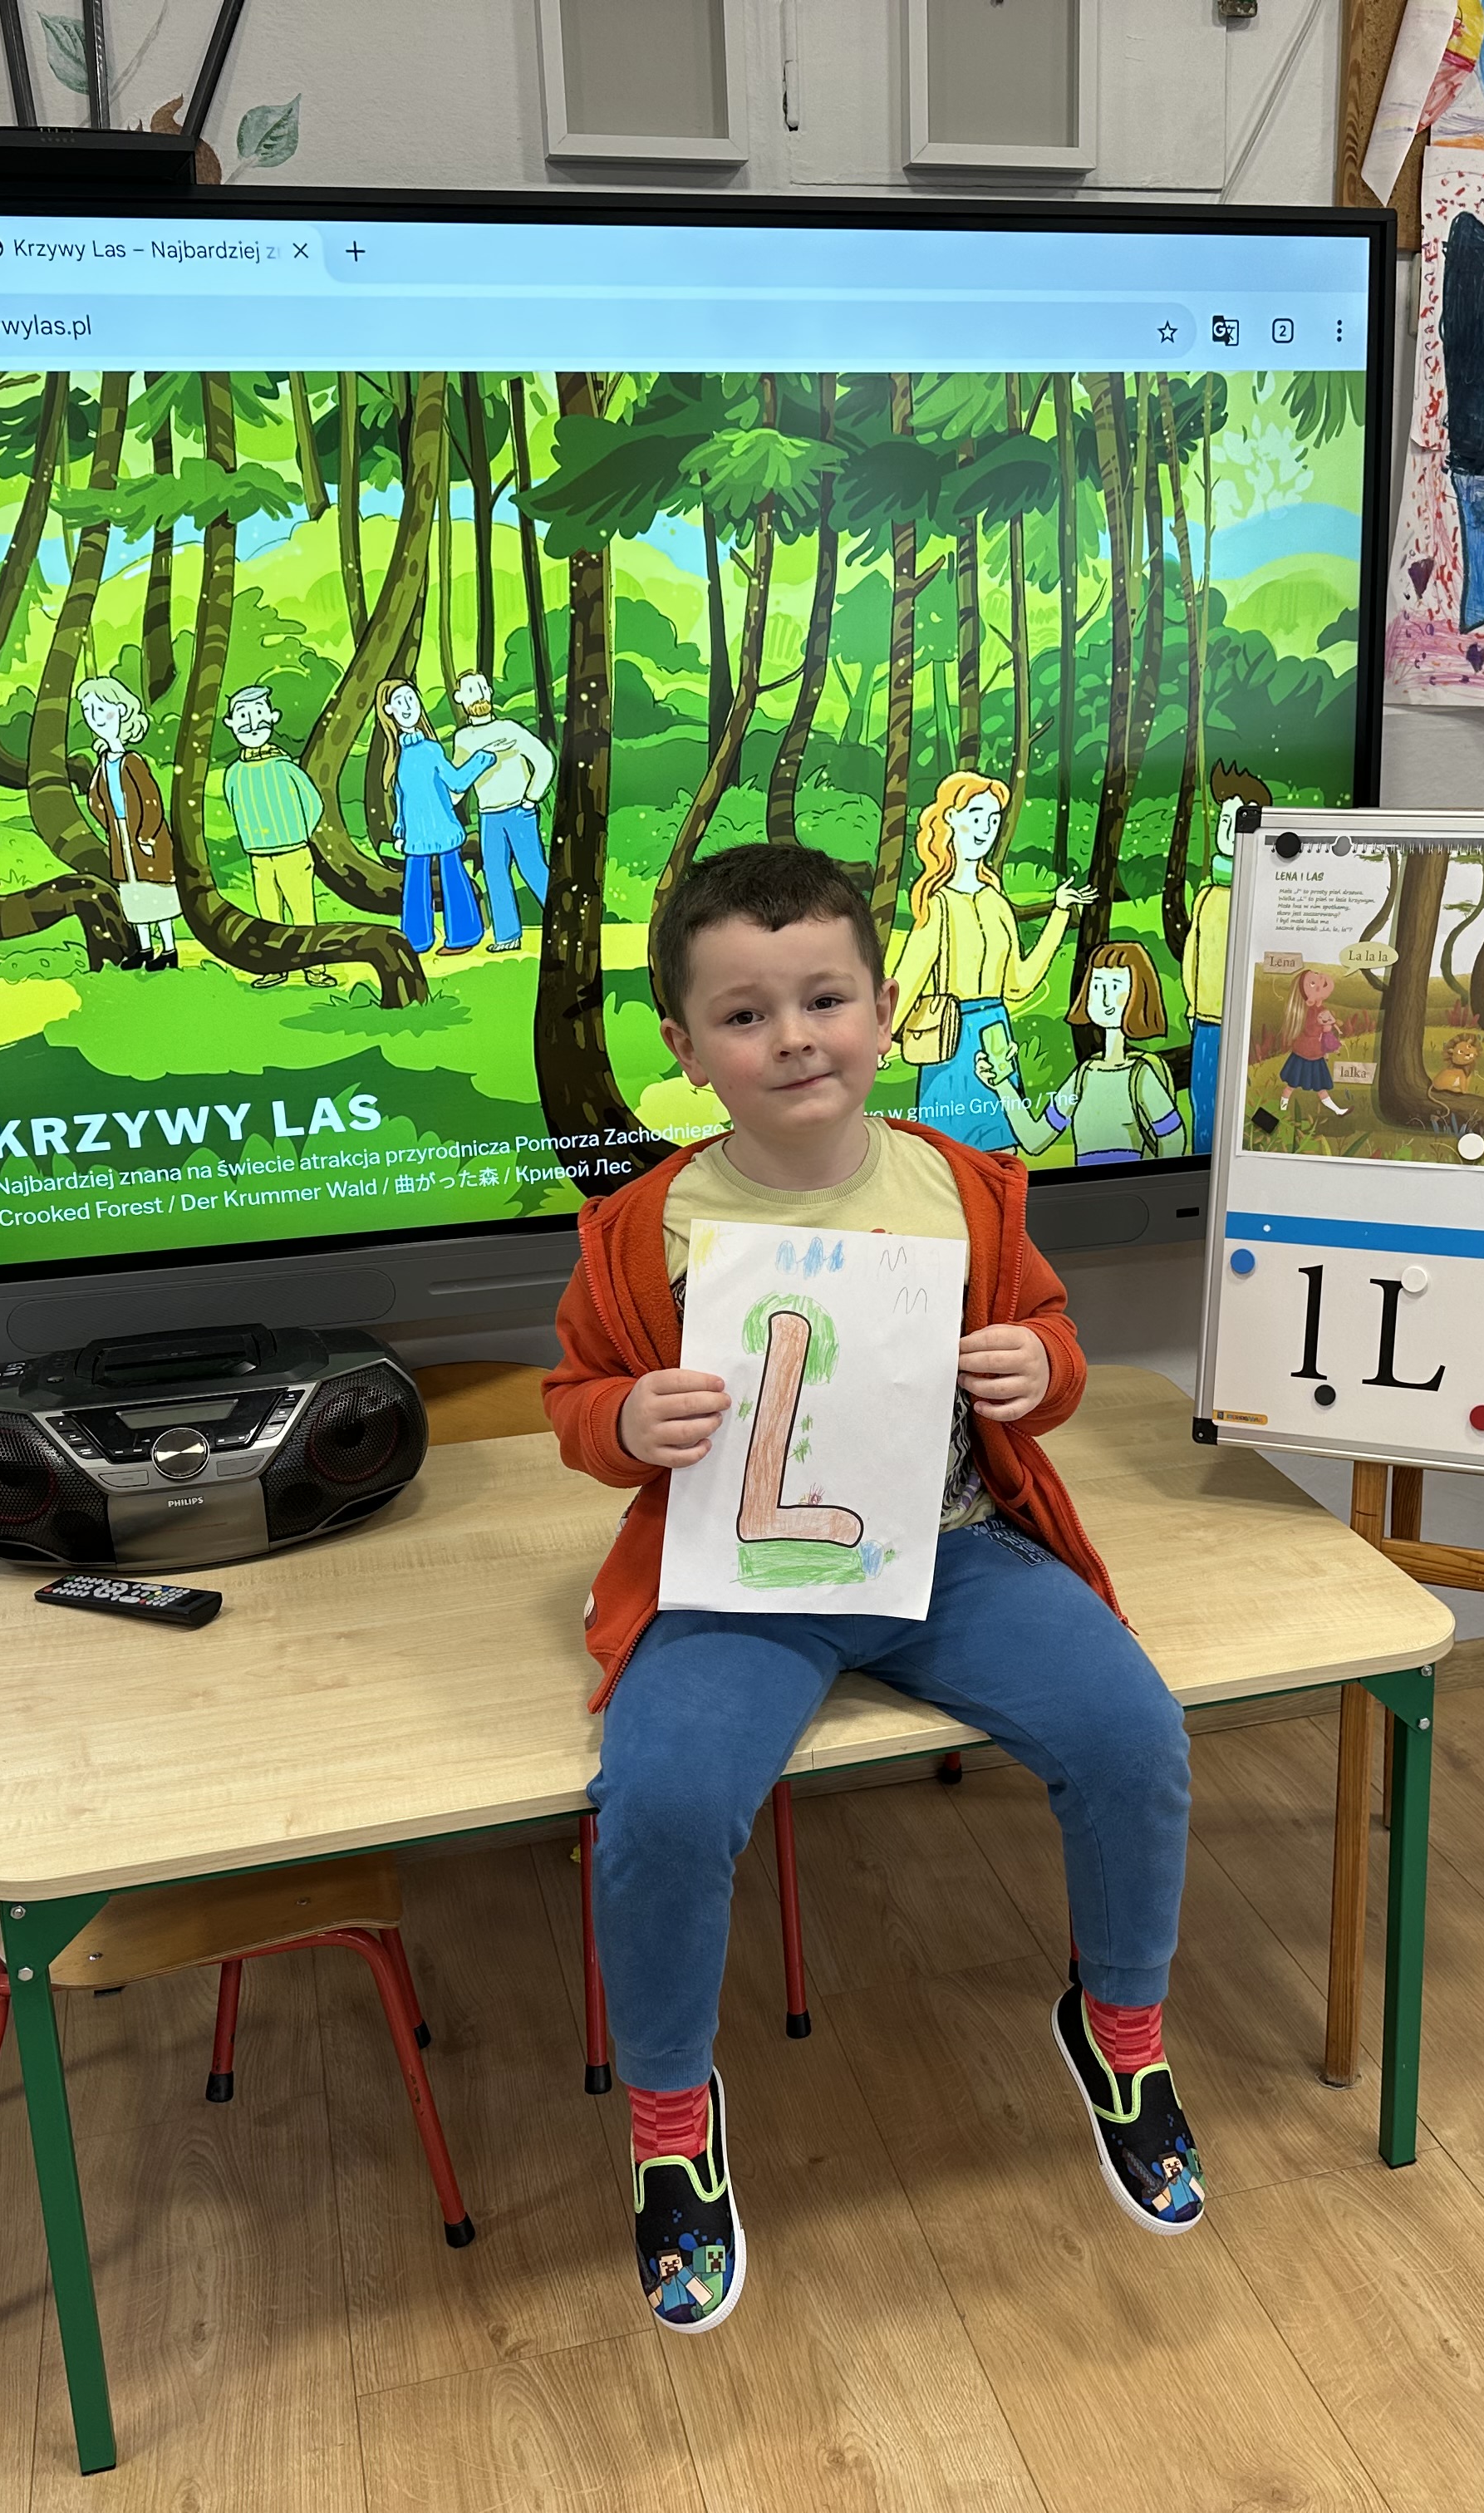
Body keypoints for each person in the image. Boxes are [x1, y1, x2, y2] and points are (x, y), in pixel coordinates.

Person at [543, 841, 1203, 2336]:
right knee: (658, 1806)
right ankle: (669, 2114)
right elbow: (576, 1400)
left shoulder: (960, 1186)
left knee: (1132, 1735)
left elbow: (1048, 1342)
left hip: (952, 1548)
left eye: (825, 999)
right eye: (745, 1014)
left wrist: (1040, 1367)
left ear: (885, 1010)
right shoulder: (643, 1226)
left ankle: (1121, 2026)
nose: (794, 1038)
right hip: (738, 1582)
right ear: (685, 1048)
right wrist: (624, 1418)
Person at [881, 771, 1092, 1149]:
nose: (985, 829)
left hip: (996, 1036)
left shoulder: (996, 903)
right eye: (976, 816)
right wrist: (881, 1037)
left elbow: (1019, 982)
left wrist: (1059, 913)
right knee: (948, 1158)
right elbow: (908, 978)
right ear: (950, 818)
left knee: (1004, 1152)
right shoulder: (938, 904)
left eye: (993, 820)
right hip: (950, 1038)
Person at [978, 940, 1185, 1168]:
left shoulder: (1140, 1076)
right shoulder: (1083, 1076)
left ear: (1139, 994)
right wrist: (1002, 1084)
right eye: (1097, 986)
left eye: (1115, 987)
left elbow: (1174, 1139)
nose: (1104, 998)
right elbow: (1035, 1140)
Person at [219, 683, 329, 987]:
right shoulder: (234, 773)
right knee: (268, 915)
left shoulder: (285, 767)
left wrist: (297, 833)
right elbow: (234, 805)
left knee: (302, 913)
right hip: (258, 856)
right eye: (243, 716)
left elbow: (313, 803)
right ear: (231, 723)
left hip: (293, 852)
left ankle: (314, 968)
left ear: (273, 717)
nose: (252, 723)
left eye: (258, 714)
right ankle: (275, 966)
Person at [1181, 768, 1264, 1153]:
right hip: (1207, 1022)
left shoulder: (1262, 896)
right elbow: (1192, 957)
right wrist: (1193, 1006)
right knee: (1205, 1099)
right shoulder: (1207, 896)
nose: (1230, 832)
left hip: (1248, 1023)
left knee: (1253, 1103)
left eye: (1241, 822)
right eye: (1226, 822)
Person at [377, 679, 489, 957]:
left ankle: (464, 935)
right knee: (415, 889)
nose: (408, 706)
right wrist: (400, 830)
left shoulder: (431, 750)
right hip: (415, 836)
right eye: (400, 701)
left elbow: (457, 782)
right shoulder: (398, 757)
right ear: (389, 710)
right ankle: (415, 940)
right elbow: (402, 797)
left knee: (453, 880)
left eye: (411, 699)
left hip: (442, 828)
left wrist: (481, 760)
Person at [448, 670, 554, 953]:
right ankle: (507, 936)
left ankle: (561, 922)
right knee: (495, 874)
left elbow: (544, 760)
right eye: (472, 690)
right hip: (489, 816)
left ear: (490, 692)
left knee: (533, 868)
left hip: (519, 811)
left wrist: (531, 798)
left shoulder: (510, 729)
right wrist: (442, 803)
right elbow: (459, 783)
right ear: (460, 698)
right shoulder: (463, 739)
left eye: (483, 688)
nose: (480, 695)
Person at [75, 672, 175, 969]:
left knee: (155, 891)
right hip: (121, 836)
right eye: (88, 711)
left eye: (101, 709)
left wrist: (145, 835)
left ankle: (169, 949)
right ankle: (144, 948)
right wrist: (109, 825)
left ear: (121, 711)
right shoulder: (104, 762)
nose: (95, 717)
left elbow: (151, 801)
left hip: (144, 836)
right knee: (133, 892)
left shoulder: (132, 761)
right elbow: (95, 798)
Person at [1275, 965, 1347, 1138]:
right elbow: (1312, 1029)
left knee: (1321, 1089)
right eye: (1313, 984)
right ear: (1308, 999)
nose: (1320, 979)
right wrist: (1325, 1026)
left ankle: (1337, 1110)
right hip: (1304, 1054)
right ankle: (1281, 1111)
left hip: (1315, 1055)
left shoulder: (1321, 1010)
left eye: (1317, 977)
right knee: (1291, 1085)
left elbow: (1326, 1031)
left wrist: (1329, 1031)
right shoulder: (1310, 1012)